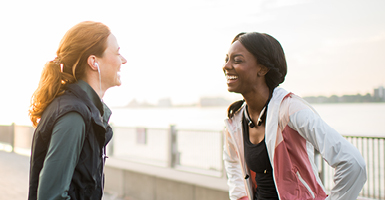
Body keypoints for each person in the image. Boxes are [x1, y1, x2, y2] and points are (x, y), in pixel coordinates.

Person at [222, 32, 366, 200]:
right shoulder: (236, 121)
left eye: (237, 60)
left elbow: (353, 164)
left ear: (262, 68)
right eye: (227, 59)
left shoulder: (290, 110)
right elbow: (233, 166)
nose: (226, 66)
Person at [28, 21, 127, 200]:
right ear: (93, 62)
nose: (124, 60)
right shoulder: (74, 115)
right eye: (118, 53)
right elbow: (51, 196)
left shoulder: (84, 111)